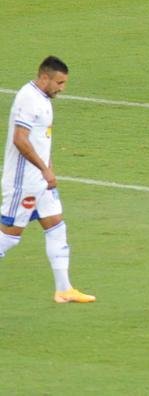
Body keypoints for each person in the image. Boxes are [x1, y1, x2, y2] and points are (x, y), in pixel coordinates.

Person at [1, 56, 94, 303]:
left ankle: (64, 289)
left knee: (56, 226)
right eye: (59, 83)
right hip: (24, 182)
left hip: (40, 181)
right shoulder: (28, 99)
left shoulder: (43, 98)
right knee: (8, 237)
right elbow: (20, 139)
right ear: (44, 78)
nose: (62, 89)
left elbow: (42, 138)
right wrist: (44, 169)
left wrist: (49, 169)